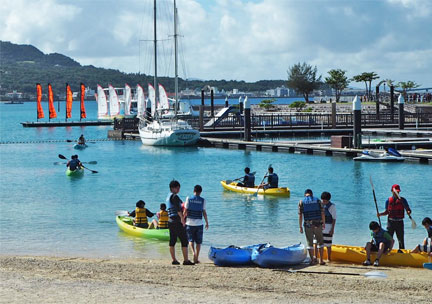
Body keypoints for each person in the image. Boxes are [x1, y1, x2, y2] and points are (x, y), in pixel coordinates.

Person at [167, 180, 194, 266]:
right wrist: (182, 218)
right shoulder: (175, 197)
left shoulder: (168, 196)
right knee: (184, 240)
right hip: (177, 221)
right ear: (173, 188)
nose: (178, 189)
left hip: (170, 221)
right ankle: (186, 260)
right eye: (177, 188)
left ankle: (174, 260)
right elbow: (178, 209)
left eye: (179, 188)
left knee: (172, 240)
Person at [377, 184, 412, 250]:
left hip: (399, 222)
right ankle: (386, 250)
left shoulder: (403, 200)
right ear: (392, 191)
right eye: (395, 191)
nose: (397, 193)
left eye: (398, 192)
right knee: (389, 238)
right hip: (391, 222)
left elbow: (408, 209)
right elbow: (387, 212)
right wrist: (380, 214)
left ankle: (401, 251)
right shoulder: (388, 201)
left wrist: (408, 212)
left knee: (400, 239)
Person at [298, 189, 326, 265]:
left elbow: (300, 215)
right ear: (312, 194)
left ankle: (312, 260)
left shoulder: (301, 202)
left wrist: (300, 226)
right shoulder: (318, 200)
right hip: (318, 224)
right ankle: (321, 260)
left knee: (309, 243)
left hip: (308, 225)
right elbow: (322, 212)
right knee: (320, 242)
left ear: (305, 194)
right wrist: (323, 223)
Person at [184, 185, 209, 264]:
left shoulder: (188, 198)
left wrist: (183, 220)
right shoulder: (203, 200)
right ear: (200, 192)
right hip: (199, 223)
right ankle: (196, 258)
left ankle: (193, 252)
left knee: (190, 240)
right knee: (198, 242)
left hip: (189, 223)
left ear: (193, 191)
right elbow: (204, 212)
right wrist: (207, 222)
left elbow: (185, 211)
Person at [321, 191, 336, 261]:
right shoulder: (320, 204)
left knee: (328, 244)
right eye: (323, 200)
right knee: (319, 243)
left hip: (328, 226)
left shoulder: (332, 206)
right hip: (321, 226)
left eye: (325, 201)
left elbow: (334, 218)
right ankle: (319, 258)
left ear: (328, 200)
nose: (323, 202)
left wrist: (332, 229)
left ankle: (328, 258)